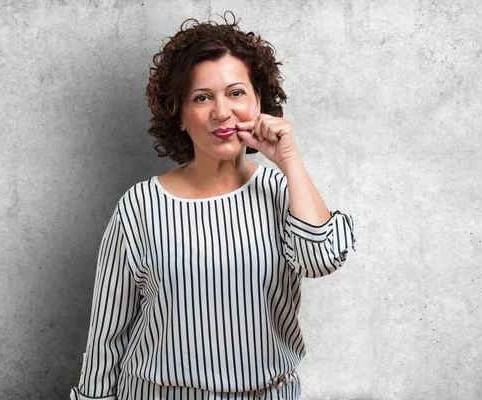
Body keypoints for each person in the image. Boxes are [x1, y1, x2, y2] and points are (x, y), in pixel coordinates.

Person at [70, 12, 356, 400]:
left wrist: (289, 161)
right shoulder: (140, 207)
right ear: (181, 116)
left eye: (236, 93)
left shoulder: (283, 192)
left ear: (259, 102)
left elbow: (320, 259)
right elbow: (108, 333)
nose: (222, 112)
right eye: (202, 97)